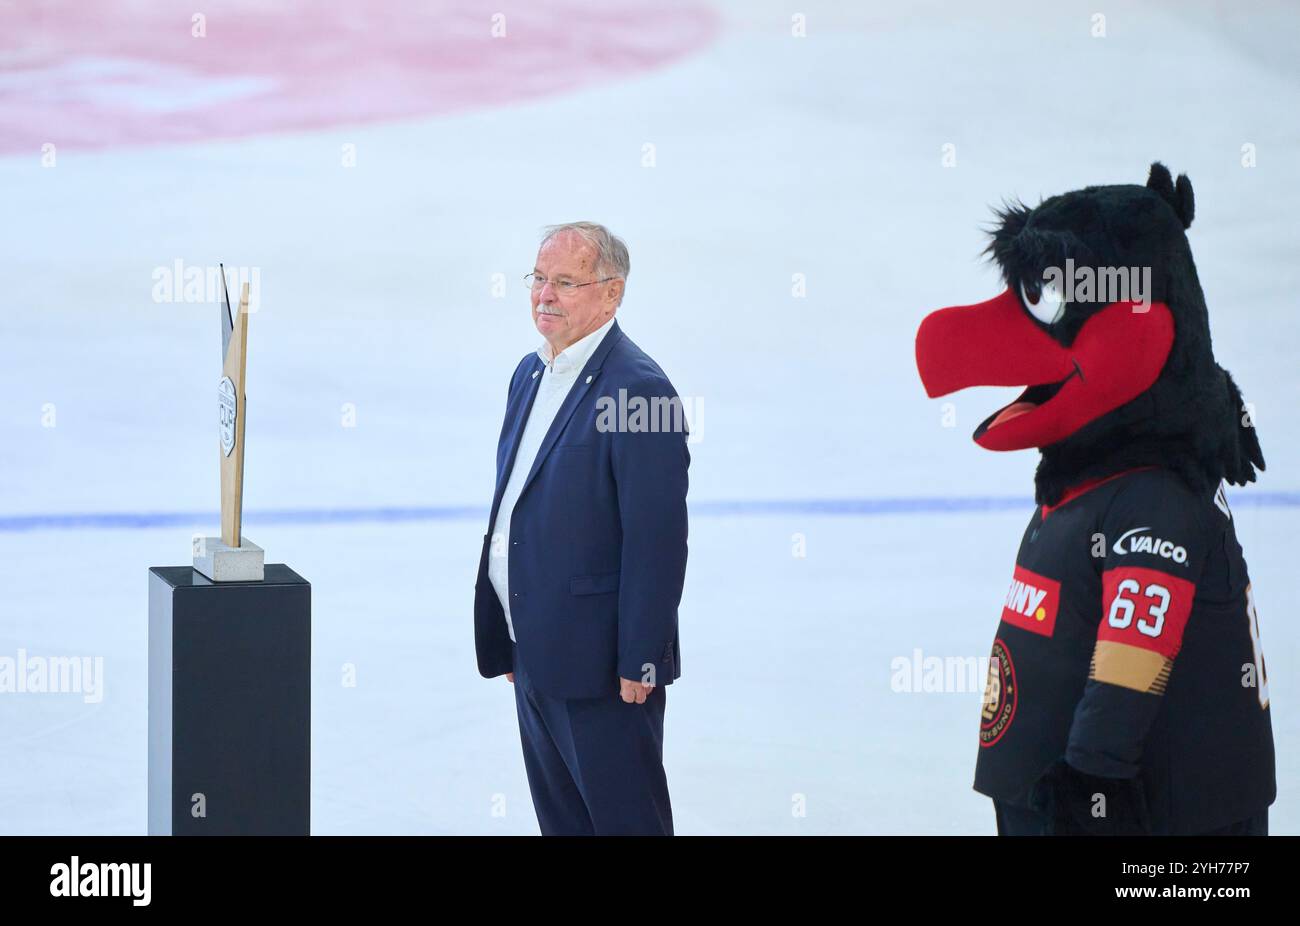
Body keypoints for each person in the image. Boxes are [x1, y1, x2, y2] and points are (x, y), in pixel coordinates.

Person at [473, 221, 689, 835]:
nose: (545, 295)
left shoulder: (640, 391)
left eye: (566, 282)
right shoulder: (530, 373)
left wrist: (641, 658)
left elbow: (658, 540)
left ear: (612, 292)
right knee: (564, 824)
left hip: (604, 669)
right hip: (535, 652)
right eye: (539, 279)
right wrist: (509, 629)